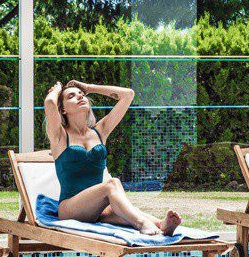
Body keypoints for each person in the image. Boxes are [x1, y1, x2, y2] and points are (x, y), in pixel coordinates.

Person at [44, 80, 181, 236]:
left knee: (124, 209)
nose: (80, 97)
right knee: (112, 184)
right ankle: (141, 223)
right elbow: (49, 103)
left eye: (82, 94)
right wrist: (57, 89)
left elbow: (128, 95)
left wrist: (90, 88)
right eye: (71, 96)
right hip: (70, 208)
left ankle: (162, 225)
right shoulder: (60, 136)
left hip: (96, 209)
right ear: (62, 109)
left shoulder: (99, 131)